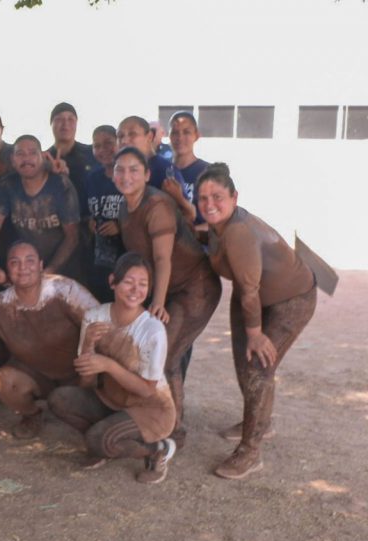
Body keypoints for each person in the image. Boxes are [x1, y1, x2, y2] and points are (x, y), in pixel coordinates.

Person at [197, 163, 317, 479]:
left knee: (257, 366)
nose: (209, 204)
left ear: (235, 197)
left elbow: (250, 290)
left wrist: (255, 334)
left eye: (218, 196)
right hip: (251, 297)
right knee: (245, 364)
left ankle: (250, 452)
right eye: (203, 198)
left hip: (291, 300)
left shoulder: (238, 232)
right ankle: (259, 421)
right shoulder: (218, 223)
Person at [112, 146, 222, 444]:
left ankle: (173, 430)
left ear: (147, 174)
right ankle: (160, 416)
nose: (126, 176)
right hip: (169, 287)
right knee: (151, 352)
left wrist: (157, 303)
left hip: (194, 287)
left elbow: (162, 260)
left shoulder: (157, 205)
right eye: (120, 170)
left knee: (168, 356)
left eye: (134, 169)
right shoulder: (124, 205)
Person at [47, 252, 178, 483]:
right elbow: (86, 383)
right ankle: (105, 441)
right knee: (59, 399)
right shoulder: (94, 317)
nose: (135, 290)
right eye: (128, 281)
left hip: (151, 409)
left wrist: (108, 365)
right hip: (112, 400)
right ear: (112, 282)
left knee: (99, 440)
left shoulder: (152, 330)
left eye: (143, 284)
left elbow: (148, 390)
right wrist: (88, 344)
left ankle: (158, 449)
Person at [0, 241, 98, 437]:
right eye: (15, 262)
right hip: (37, 374)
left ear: (40, 265)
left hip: (77, 373)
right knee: (5, 382)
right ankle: (31, 415)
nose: (23, 268)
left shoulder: (65, 290)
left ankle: (89, 412)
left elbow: (100, 324)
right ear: (8, 269)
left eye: (29, 261)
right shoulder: (0, 304)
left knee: (86, 384)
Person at [0, 135, 81, 279]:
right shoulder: (7, 185)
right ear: (13, 160)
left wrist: (49, 271)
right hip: (27, 268)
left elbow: (72, 237)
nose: (26, 159)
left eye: (32, 153)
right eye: (20, 154)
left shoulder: (61, 185)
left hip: (63, 268)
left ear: (42, 157)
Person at [117, 116, 196, 225]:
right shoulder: (118, 170)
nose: (124, 141)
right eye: (120, 136)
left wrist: (179, 198)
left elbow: (189, 216)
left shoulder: (166, 170)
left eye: (132, 134)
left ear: (149, 136)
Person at [84, 125, 125, 301]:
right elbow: (87, 211)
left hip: (126, 258)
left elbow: (143, 212)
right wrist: (89, 222)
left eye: (108, 143)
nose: (102, 150)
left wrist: (120, 226)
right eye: (97, 145)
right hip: (99, 260)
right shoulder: (92, 178)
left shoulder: (128, 176)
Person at [47, 102, 97, 211]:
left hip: (90, 221)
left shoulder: (92, 153)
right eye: (59, 119)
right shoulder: (44, 159)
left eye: (70, 119)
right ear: (51, 124)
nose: (65, 124)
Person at [169, 111, 210, 226]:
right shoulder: (162, 170)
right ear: (170, 136)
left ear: (196, 136)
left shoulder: (208, 172)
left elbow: (222, 219)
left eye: (186, 132)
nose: (180, 138)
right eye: (175, 132)